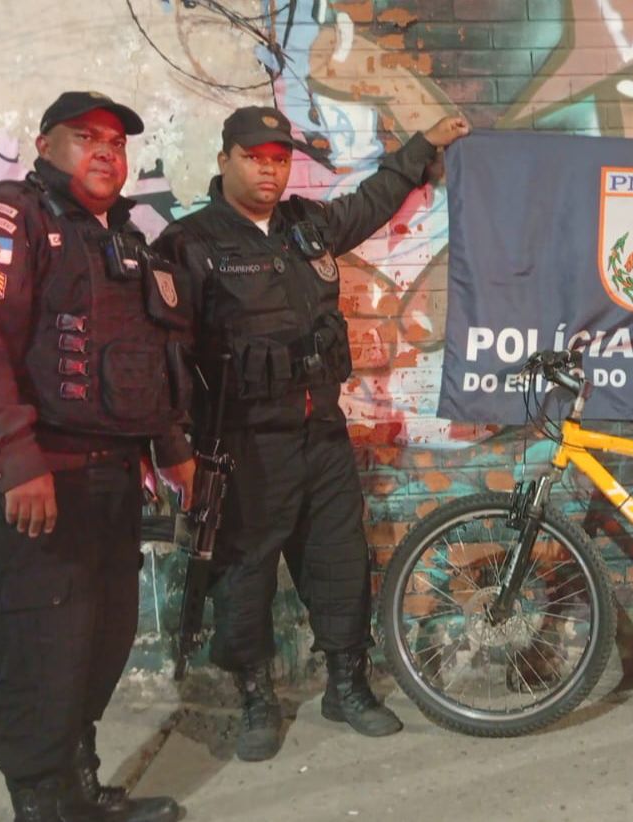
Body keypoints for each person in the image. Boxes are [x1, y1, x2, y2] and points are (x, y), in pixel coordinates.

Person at [152, 106, 470, 761]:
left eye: (277, 158)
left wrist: (422, 145)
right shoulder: (188, 244)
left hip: (321, 432)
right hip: (244, 444)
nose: (268, 169)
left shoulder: (309, 226)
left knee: (339, 564)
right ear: (224, 161)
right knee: (245, 580)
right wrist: (174, 450)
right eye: (253, 156)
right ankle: (255, 699)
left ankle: (346, 686)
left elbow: (375, 200)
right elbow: (163, 357)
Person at [0, 91, 193, 821]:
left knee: (100, 641)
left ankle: (77, 784)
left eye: (117, 142)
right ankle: (44, 802)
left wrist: (170, 449)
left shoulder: (124, 240)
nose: (107, 152)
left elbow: (148, 356)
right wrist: (15, 458)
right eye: (87, 138)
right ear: (46, 143)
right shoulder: (7, 216)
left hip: (109, 481)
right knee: (43, 646)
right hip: (38, 479)